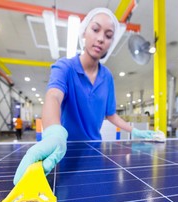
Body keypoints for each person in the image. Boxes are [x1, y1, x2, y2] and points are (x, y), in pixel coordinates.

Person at [13, 8, 157, 184]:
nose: (101, 38)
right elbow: (53, 96)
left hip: (95, 149)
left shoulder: (108, 77)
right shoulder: (65, 68)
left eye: (109, 35)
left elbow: (110, 114)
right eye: (95, 29)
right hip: (65, 148)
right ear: (84, 32)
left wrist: (134, 131)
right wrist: (53, 133)